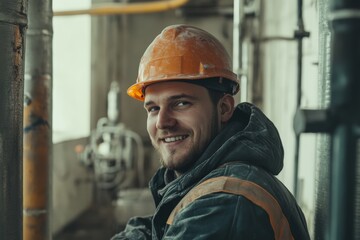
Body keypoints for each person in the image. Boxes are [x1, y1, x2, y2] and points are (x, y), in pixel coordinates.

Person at [112, 24, 310, 240]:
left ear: (224, 108)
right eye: (153, 109)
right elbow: (157, 229)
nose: (162, 122)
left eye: (180, 103)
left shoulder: (227, 200)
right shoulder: (205, 181)